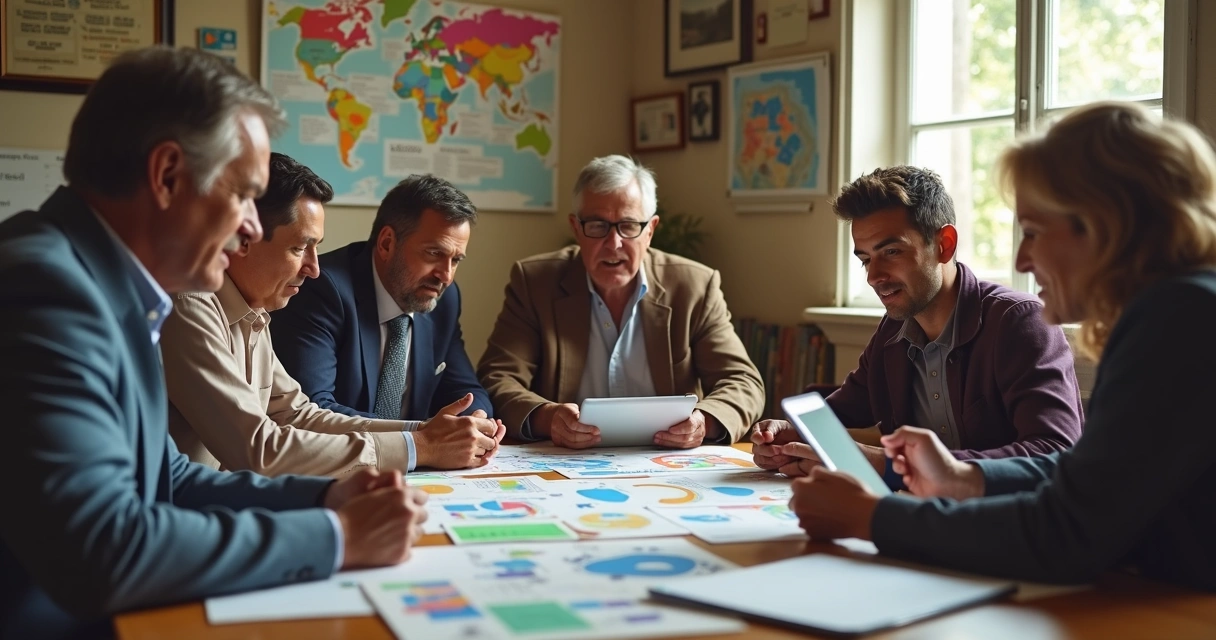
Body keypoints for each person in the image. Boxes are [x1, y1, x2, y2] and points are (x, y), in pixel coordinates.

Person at [0, 47, 428, 639]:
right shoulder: (45, 289)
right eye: (242, 195)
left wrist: (328, 498)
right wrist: (340, 538)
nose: (251, 229)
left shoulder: (110, 285)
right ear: (168, 176)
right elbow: (103, 551)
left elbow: (169, 478)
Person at [789, 102, 1216, 591]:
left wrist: (872, 518)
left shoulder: (1179, 319)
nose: (1021, 258)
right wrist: (964, 479)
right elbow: (1096, 474)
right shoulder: (1182, 307)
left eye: (1033, 231)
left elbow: (1067, 533)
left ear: (1105, 224)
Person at [161, 153, 502, 475]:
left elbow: (298, 414)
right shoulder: (190, 305)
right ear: (243, 238)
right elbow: (259, 449)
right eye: (299, 248)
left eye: (316, 246)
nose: (313, 268)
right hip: (182, 512)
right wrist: (418, 447)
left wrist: (428, 432)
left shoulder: (254, 307)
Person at [752, 165, 1083, 487]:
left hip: (1009, 525)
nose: (873, 276)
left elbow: (1054, 453)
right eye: (866, 258)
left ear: (945, 244)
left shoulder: (1019, 321)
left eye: (891, 251)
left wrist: (892, 466)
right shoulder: (893, 331)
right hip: (924, 517)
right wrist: (788, 434)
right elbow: (848, 404)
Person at [477, 155, 765, 448]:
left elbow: (743, 382)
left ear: (650, 230)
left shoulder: (694, 287)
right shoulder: (535, 282)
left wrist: (703, 422)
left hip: (667, 461)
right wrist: (548, 417)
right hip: (567, 459)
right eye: (598, 226)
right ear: (576, 228)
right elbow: (497, 378)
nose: (613, 243)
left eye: (628, 226)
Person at [271, 175, 494, 430]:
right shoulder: (323, 289)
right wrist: (422, 438)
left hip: (419, 468)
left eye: (455, 260)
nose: (445, 275)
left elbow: (466, 389)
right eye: (434, 254)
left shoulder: (444, 298)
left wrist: (474, 421)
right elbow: (311, 409)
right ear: (387, 243)